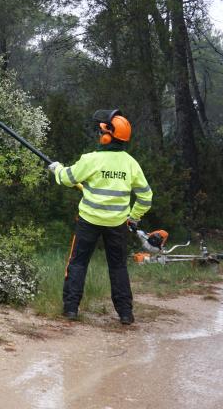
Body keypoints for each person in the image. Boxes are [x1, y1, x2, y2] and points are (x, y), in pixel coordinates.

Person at [48, 109, 152, 325]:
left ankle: (70, 309)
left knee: (77, 263)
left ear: (107, 136)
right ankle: (125, 313)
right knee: (118, 267)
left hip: (88, 222)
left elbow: (67, 178)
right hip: (117, 225)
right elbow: (146, 197)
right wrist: (133, 218)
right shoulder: (131, 163)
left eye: (101, 131)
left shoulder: (91, 159)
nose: (99, 134)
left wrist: (56, 168)